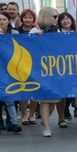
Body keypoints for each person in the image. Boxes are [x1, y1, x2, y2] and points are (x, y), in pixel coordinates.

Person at [30, 7, 64, 136]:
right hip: (41, 69)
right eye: (54, 17)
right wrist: (34, 37)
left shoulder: (58, 31)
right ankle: (46, 127)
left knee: (54, 100)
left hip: (55, 69)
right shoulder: (35, 30)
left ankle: (45, 120)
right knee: (45, 99)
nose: (57, 19)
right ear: (46, 17)